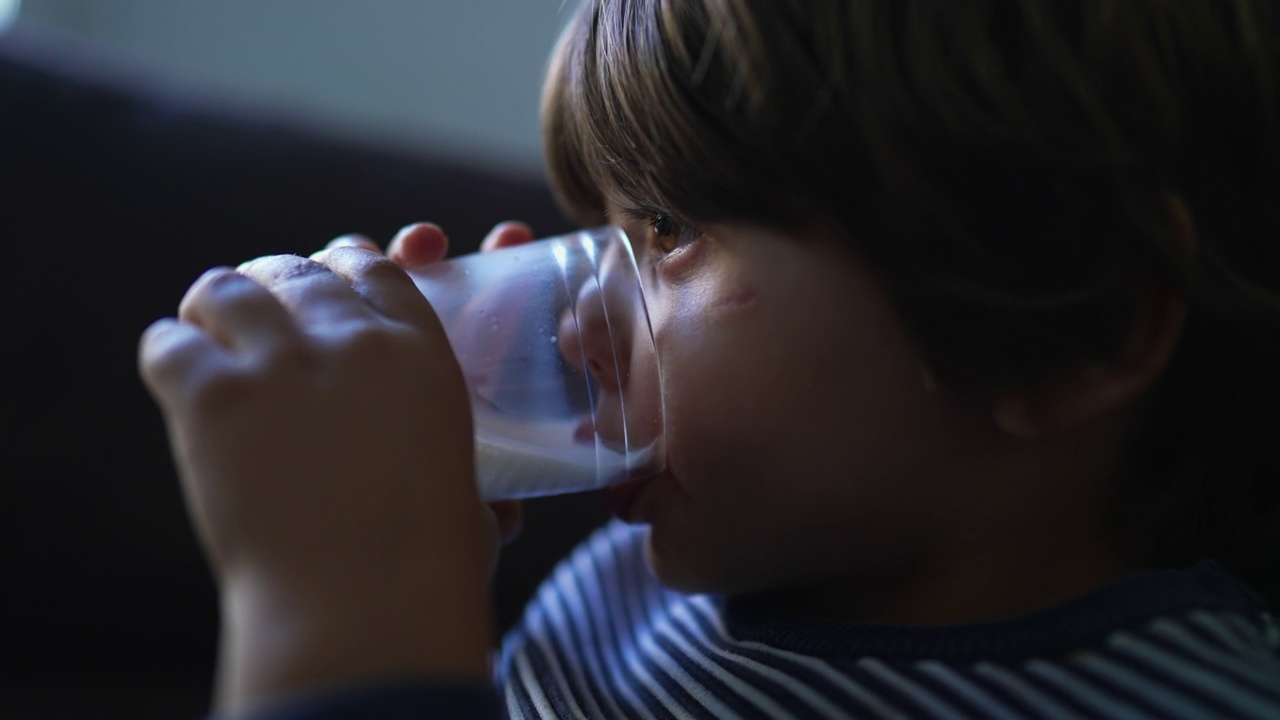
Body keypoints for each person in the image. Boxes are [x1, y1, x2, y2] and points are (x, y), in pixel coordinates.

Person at [138, 0, 1280, 717]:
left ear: (1064, 331)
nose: (578, 321)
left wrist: (350, 609)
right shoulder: (660, 577)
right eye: (604, 235)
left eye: (668, 236)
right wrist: (426, 561)